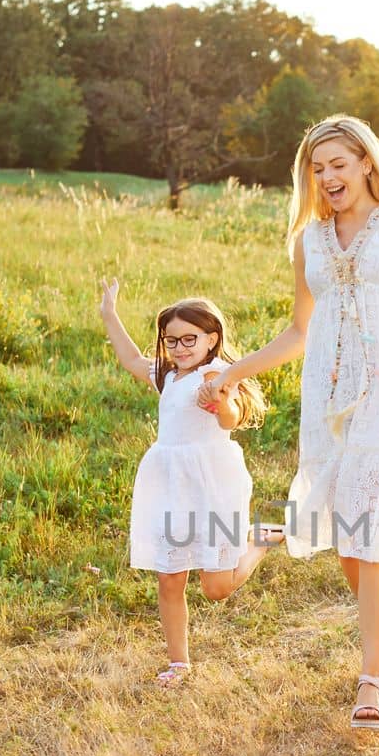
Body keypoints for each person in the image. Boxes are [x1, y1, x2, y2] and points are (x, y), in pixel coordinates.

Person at [199, 115, 379, 729]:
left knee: (377, 529)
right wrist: (235, 371)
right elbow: (300, 331)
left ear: (367, 163)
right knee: (346, 535)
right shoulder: (308, 239)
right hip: (328, 400)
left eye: (339, 163)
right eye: (317, 167)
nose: (328, 176)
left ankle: (370, 679)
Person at [103, 285, 281, 687]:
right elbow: (130, 358)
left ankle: (261, 539)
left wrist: (220, 401)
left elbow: (230, 419)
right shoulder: (168, 375)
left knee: (216, 588)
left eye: (190, 339)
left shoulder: (214, 374)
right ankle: (179, 662)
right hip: (168, 483)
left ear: (211, 339)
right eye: (172, 341)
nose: (181, 348)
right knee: (170, 575)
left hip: (211, 483)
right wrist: (109, 313)